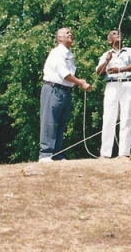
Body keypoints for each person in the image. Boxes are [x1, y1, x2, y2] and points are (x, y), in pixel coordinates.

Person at [39, 28, 92, 162]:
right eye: (67, 33)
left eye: (71, 33)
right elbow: (64, 74)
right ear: (59, 38)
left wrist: (78, 82)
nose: (70, 34)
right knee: (49, 121)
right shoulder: (57, 53)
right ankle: (45, 154)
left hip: (65, 91)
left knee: (61, 123)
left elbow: (69, 75)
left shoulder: (69, 54)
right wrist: (80, 83)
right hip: (53, 89)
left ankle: (57, 153)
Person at [95, 30, 131, 159]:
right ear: (109, 40)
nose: (118, 34)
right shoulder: (106, 54)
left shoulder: (130, 51)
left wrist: (121, 69)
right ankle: (105, 153)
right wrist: (106, 61)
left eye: (119, 33)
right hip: (111, 85)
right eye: (114, 34)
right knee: (108, 117)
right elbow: (98, 73)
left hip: (128, 83)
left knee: (127, 117)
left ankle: (123, 153)